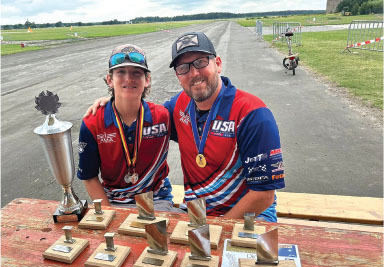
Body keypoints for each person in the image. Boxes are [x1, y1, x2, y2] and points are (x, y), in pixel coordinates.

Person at [85, 32, 285, 221]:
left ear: (218, 64)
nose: (194, 73)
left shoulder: (253, 114)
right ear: (178, 75)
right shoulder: (177, 107)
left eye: (200, 62)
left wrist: (219, 228)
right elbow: (139, 114)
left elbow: (264, 195)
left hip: (251, 216)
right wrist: (114, 100)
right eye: (184, 68)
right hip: (197, 214)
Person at [77, 44, 173, 210]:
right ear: (110, 80)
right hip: (114, 202)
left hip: (157, 200)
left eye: (136, 72)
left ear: (147, 80)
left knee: (157, 236)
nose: (129, 78)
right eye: (121, 72)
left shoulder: (163, 116)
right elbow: (89, 176)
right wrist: (109, 213)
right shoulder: (92, 123)